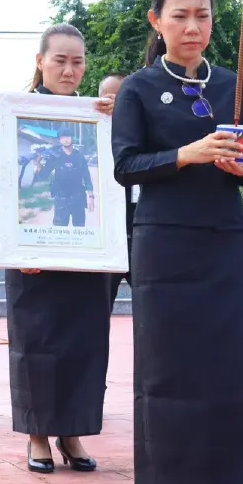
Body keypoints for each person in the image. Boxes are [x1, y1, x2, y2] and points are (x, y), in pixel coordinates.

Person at [111, 0, 243, 484]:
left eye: (202, 15)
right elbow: (126, 166)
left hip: (224, 236)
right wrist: (188, 153)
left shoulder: (233, 84)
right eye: (179, 15)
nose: (192, 26)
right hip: (165, 242)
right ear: (157, 21)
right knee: (171, 369)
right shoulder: (137, 88)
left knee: (225, 368)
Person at [5, 25, 116, 474]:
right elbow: (12, 185)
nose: (70, 70)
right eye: (60, 61)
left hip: (87, 249)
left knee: (84, 340)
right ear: (40, 61)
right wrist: (17, 246)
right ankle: (37, 436)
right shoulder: (17, 113)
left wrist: (116, 119)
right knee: (37, 340)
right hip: (34, 250)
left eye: (78, 61)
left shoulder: (96, 116)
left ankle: (72, 433)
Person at [100, 72, 133, 314]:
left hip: (140, 238)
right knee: (96, 313)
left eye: (121, 100)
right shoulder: (89, 138)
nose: (113, 105)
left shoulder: (146, 136)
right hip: (106, 239)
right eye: (109, 98)